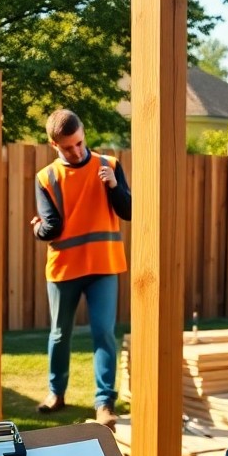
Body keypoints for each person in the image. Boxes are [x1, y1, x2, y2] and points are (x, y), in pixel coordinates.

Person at [31, 109, 131, 427]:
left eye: (78, 143)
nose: (75, 151)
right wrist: (38, 229)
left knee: (103, 332)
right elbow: (53, 228)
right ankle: (55, 393)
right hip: (64, 267)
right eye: (66, 147)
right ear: (53, 144)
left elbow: (127, 210)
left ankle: (104, 403)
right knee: (60, 334)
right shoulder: (45, 178)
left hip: (104, 264)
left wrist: (115, 185)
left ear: (83, 132)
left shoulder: (110, 165)